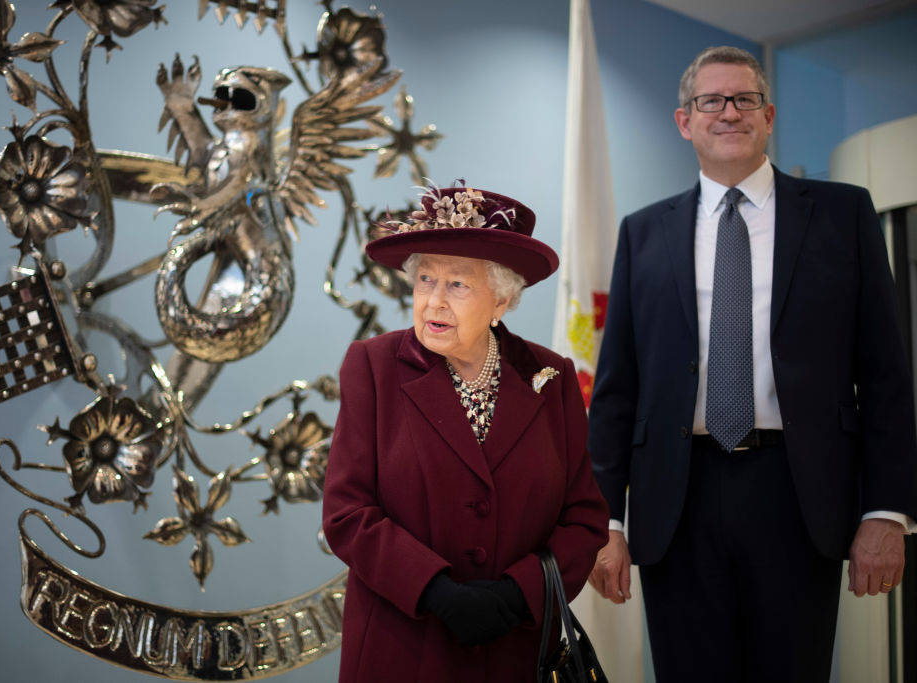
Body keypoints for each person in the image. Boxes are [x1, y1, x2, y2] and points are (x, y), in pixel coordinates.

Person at [587, 45, 917, 682]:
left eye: (743, 100)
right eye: (711, 101)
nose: (728, 112)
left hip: (798, 495)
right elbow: (617, 390)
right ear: (685, 121)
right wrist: (607, 518)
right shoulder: (643, 232)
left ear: (769, 117)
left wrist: (885, 510)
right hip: (675, 500)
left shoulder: (843, 215)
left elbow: (885, 374)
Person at [322, 181, 610, 682]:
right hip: (402, 646)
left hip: (514, 650)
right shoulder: (372, 366)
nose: (433, 302)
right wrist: (434, 590)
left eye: (457, 285)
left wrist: (521, 594)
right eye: (425, 280)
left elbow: (584, 519)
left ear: (501, 301)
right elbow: (348, 512)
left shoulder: (552, 378)